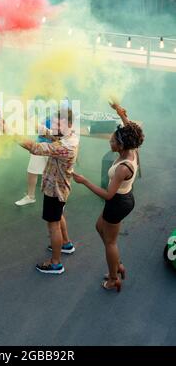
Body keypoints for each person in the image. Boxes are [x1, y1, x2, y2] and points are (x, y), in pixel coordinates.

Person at [73, 103, 144, 292]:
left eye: (112, 141)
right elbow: (130, 129)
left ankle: (114, 277)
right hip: (122, 199)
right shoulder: (132, 147)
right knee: (99, 227)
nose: (109, 142)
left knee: (110, 242)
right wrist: (120, 113)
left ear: (121, 145)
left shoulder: (123, 168)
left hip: (118, 202)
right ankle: (116, 264)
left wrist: (84, 181)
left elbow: (108, 194)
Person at [1, 108, 79, 275]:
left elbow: (35, 147)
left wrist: (10, 133)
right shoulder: (68, 135)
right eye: (55, 122)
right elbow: (46, 131)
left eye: (59, 123)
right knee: (58, 217)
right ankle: (66, 244)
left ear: (69, 124)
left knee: (53, 226)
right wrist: (28, 117)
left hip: (55, 190)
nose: (55, 126)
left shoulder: (65, 146)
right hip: (60, 189)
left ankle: (56, 263)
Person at [15, 116, 52, 207]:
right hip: (40, 143)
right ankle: (30, 197)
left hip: (55, 146)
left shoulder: (63, 105)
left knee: (55, 174)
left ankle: (59, 199)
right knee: (32, 171)